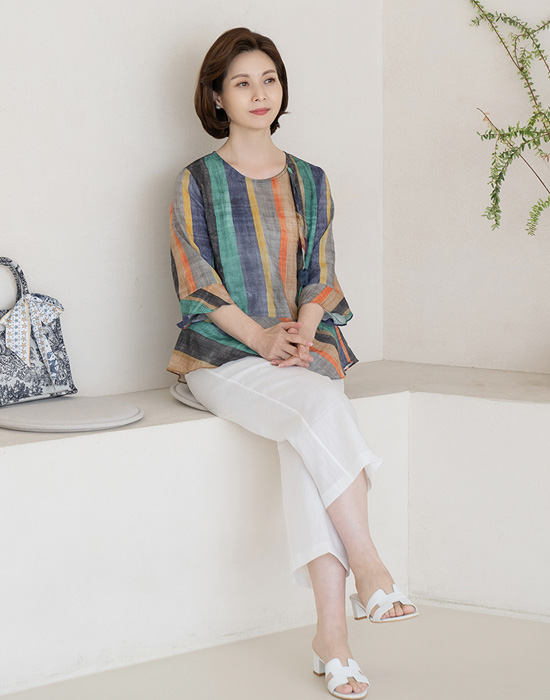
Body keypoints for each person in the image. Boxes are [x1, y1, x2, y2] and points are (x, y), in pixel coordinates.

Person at [168, 27, 418, 699]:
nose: (259, 93)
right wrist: (262, 339)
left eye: (269, 79)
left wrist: (303, 334)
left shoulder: (311, 179)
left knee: (308, 426)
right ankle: (369, 566)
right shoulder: (197, 181)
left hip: (301, 350)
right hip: (222, 356)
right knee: (318, 405)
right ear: (217, 97)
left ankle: (332, 639)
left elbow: (320, 275)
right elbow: (196, 283)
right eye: (242, 82)